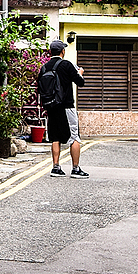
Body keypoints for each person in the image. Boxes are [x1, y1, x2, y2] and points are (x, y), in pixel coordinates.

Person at [38, 38, 86, 176]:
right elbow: (80, 82)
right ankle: (75, 168)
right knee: (74, 136)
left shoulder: (44, 67)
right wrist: (80, 73)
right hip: (66, 106)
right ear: (62, 51)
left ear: (50, 52)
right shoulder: (66, 65)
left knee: (55, 137)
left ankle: (56, 167)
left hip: (51, 106)